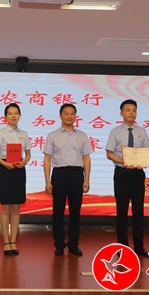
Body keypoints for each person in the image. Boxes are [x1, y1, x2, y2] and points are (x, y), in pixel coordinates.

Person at [43, 103, 93, 257]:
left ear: (75, 116)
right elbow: (47, 159)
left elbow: (86, 158)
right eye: (66, 113)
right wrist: (47, 181)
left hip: (77, 175)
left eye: (72, 113)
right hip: (59, 174)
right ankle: (59, 244)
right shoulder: (53, 135)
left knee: (75, 211)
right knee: (58, 211)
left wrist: (87, 179)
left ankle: (73, 244)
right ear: (60, 116)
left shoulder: (82, 135)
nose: (69, 116)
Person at [105, 99, 149, 257]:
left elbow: (147, 151)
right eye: (128, 110)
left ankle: (139, 246)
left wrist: (144, 161)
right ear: (121, 113)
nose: (131, 113)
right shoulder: (115, 132)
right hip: (122, 174)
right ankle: (122, 246)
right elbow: (109, 154)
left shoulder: (142, 131)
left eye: (134, 110)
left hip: (138, 175)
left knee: (138, 211)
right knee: (122, 212)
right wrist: (123, 161)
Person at [0, 103, 31, 256]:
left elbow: (28, 153)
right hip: (5, 169)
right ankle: (6, 241)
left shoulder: (24, 134)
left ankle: (13, 241)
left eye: (16, 113)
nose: (13, 116)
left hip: (19, 170)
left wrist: (24, 161)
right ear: (5, 116)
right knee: (5, 207)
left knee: (16, 208)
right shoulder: (0, 133)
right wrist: (5, 164)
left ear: (19, 115)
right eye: (10, 113)